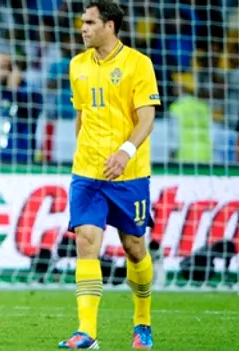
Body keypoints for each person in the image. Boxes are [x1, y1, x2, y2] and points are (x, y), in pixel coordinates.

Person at [59, 1, 160, 349]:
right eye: (82, 22)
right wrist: (80, 153)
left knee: (134, 248)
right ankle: (87, 331)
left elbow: (146, 116)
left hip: (129, 174)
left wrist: (124, 152)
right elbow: (81, 114)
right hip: (87, 172)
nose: (83, 28)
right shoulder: (77, 66)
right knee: (86, 242)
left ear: (110, 26)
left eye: (89, 22)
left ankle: (142, 322)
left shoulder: (138, 64)